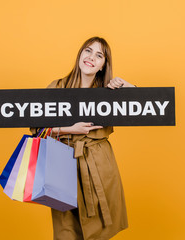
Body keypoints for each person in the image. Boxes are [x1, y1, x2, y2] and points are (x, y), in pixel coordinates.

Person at [31, 36, 135, 240]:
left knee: (99, 229)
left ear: (104, 65)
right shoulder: (57, 86)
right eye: (88, 51)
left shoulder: (109, 92)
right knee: (66, 230)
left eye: (99, 55)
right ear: (80, 54)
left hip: (99, 164)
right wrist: (69, 129)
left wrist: (126, 86)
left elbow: (145, 107)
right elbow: (38, 129)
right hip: (62, 163)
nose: (91, 58)